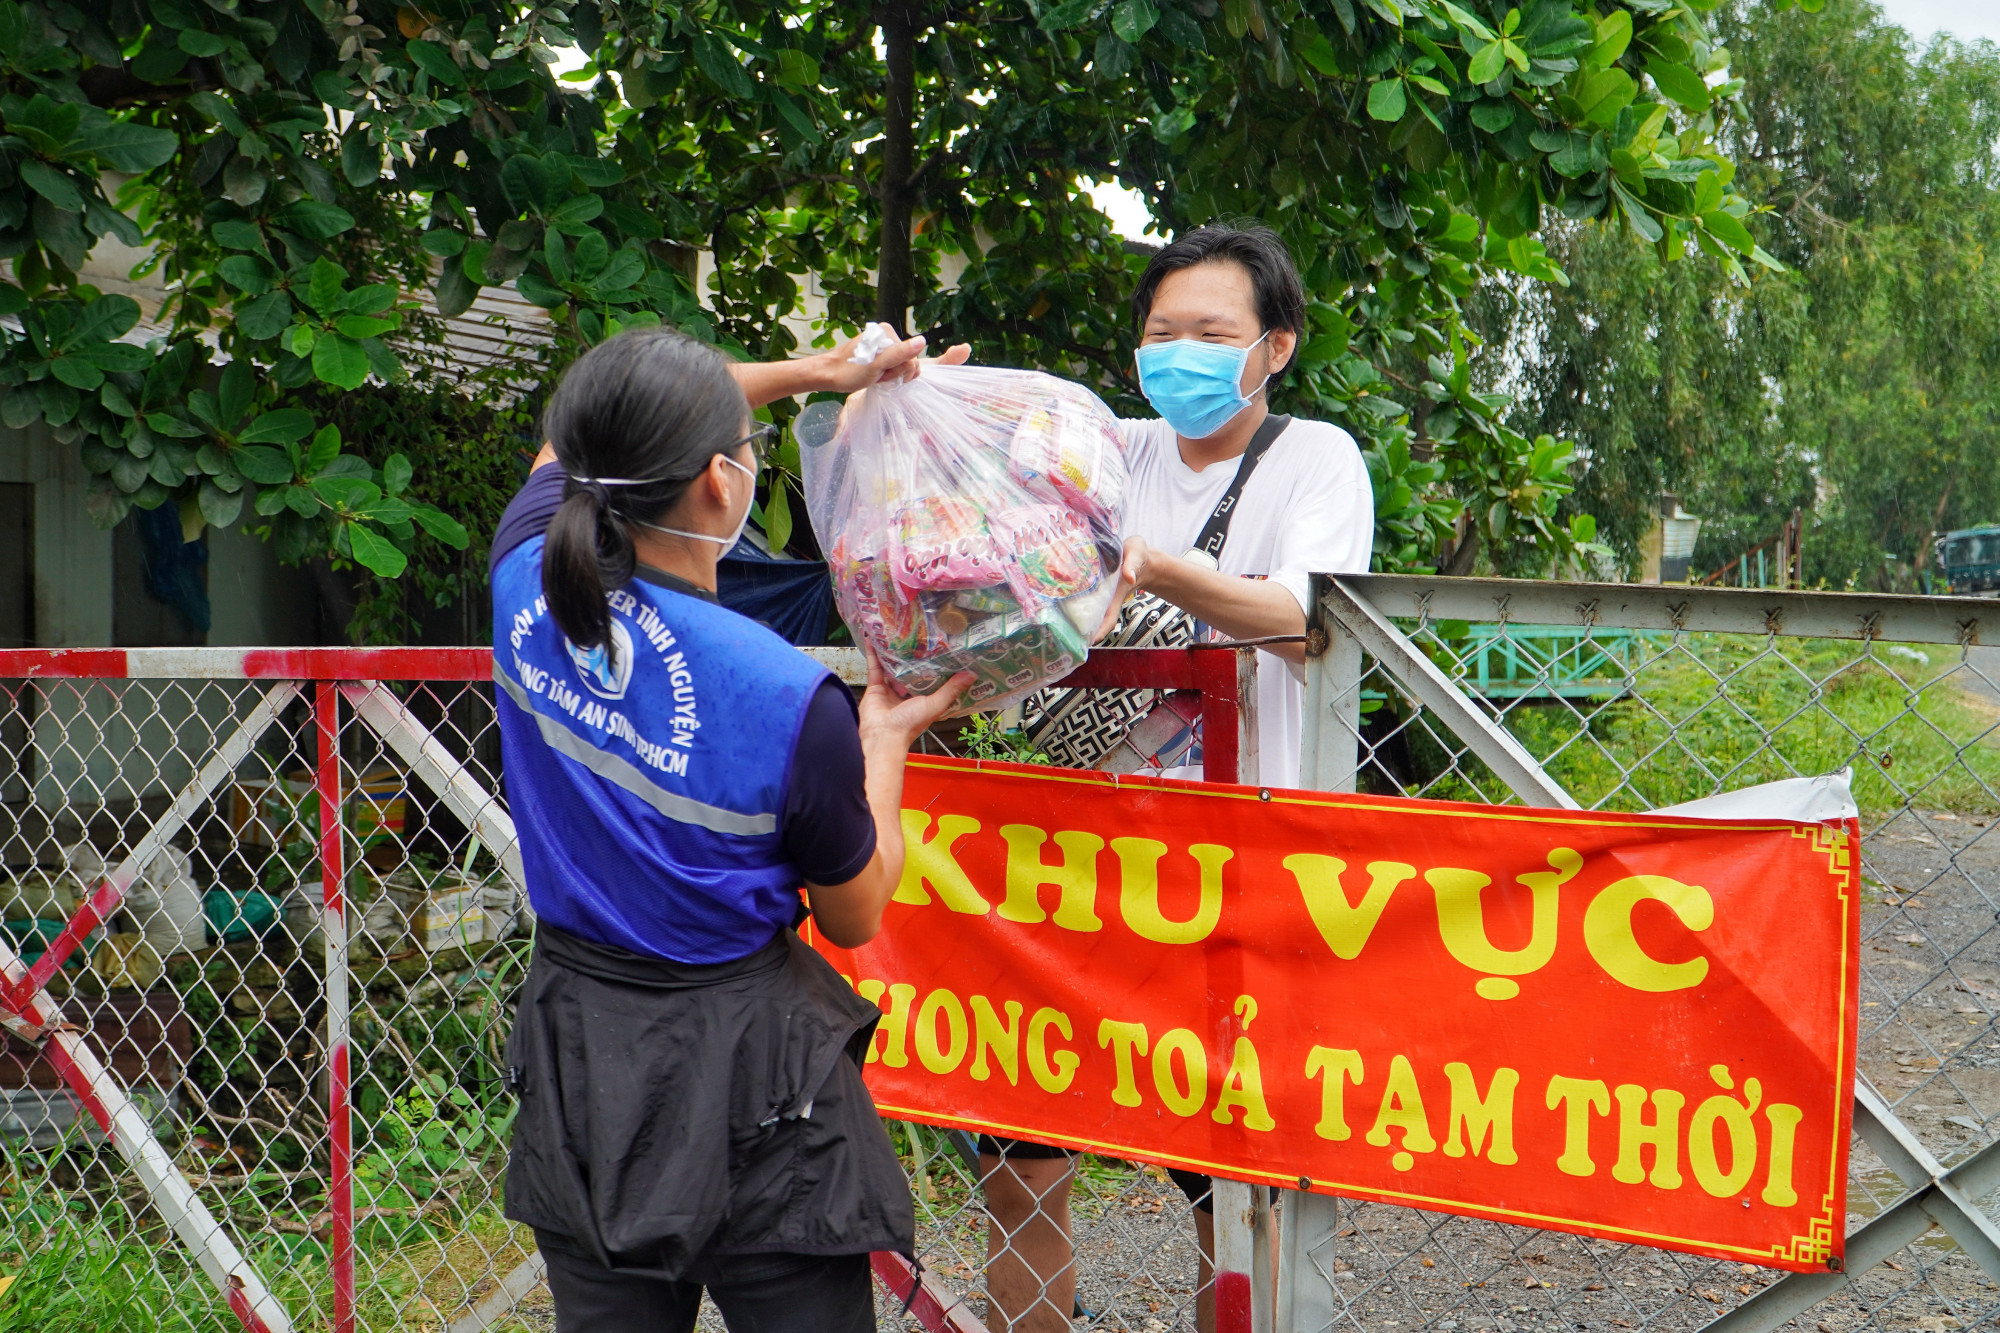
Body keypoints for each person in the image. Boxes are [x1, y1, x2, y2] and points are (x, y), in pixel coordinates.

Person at [491, 325, 972, 1333]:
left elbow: (576, 441)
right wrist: (884, 737)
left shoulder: (523, 577)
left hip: (585, 1049)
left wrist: (811, 374)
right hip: (757, 1079)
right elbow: (852, 912)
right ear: (720, 479)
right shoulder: (783, 692)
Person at [981, 222, 1374, 1333]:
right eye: (1161, 333)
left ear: (1274, 348)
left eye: (1211, 332)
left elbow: (1304, 619)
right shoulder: (1104, 449)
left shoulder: (1315, 460)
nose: (1179, 353)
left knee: (1226, 1192)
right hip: (1060, 870)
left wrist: (1152, 568)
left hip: (1227, 878)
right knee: (1017, 1162)